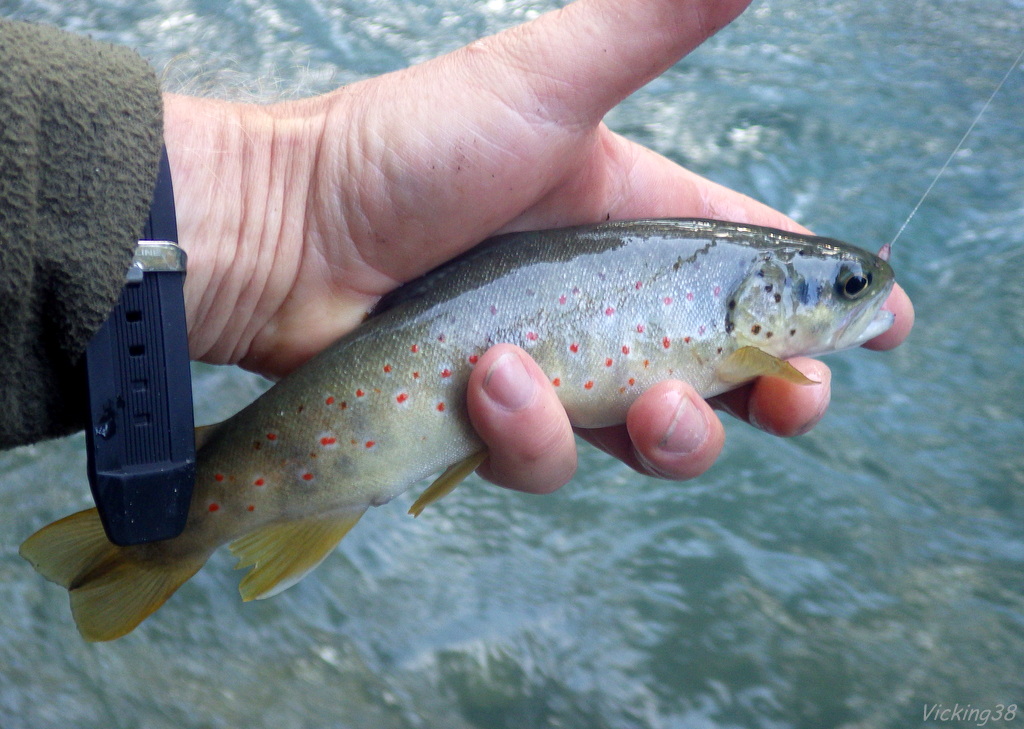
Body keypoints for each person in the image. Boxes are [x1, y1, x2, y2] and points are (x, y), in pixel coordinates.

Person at [0, 0, 913, 494]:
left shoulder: (749, 327)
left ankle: (195, 505)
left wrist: (282, 211)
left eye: (843, 287)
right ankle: (192, 510)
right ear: (762, 298)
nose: (857, 295)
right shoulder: (746, 335)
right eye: (842, 285)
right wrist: (285, 208)